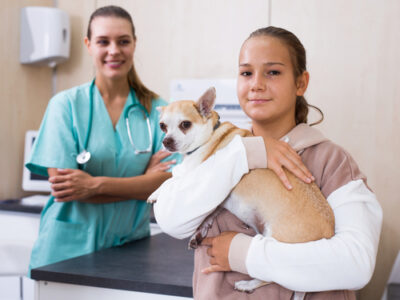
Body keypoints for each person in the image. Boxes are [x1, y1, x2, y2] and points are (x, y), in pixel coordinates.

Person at [153, 26, 382, 299]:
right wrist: (246, 153)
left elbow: (356, 263)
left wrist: (245, 254)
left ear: (301, 83)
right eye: (246, 73)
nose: (256, 84)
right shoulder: (218, 150)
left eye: (273, 72)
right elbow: (171, 219)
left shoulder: (331, 161)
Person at [27, 5, 179, 273]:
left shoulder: (160, 111)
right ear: (88, 45)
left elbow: (167, 185)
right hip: (65, 253)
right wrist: (143, 184)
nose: (114, 50)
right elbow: (67, 189)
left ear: (134, 44)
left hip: (130, 252)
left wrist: (93, 185)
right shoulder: (66, 106)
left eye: (123, 41)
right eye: (103, 41)